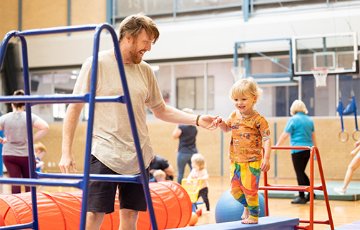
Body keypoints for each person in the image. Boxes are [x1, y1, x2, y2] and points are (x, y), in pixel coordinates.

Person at [58, 14, 218, 230]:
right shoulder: (96, 64)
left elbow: (161, 110)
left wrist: (197, 119)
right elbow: (74, 108)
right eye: (146, 42)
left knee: (131, 214)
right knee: (94, 215)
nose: (149, 48)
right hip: (104, 152)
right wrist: (66, 152)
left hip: (138, 156)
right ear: (129, 37)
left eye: (151, 43)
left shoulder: (145, 70)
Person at [216, 77, 271, 224]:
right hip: (235, 160)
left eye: (243, 99)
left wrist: (266, 159)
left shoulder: (259, 120)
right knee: (235, 190)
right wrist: (221, 123)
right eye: (236, 99)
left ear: (254, 98)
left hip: (252, 161)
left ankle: (254, 216)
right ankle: (246, 206)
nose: (239, 103)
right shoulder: (233, 115)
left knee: (250, 189)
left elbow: (266, 139)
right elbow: (227, 128)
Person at [0, 89, 49, 194]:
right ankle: (29, 207)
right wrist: (31, 139)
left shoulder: (5, 118)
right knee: (28, 183)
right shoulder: (30, 116)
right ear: (25, 103)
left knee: (15, 183)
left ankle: (16, 209)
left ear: (12, 103)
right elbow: (45, 127)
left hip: (9, 154)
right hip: (26, 154)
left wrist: (1, 140)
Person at [274, 99, 316, 204]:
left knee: (299, 173)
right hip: (308, 150)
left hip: (297, 150)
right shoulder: (309, 120)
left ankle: (304, 195)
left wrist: (277, 146)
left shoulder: (293, 119)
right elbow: (313, 136)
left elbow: (285, 135)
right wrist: (315, 150)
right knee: (301, 172)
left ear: (293, 109)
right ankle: (310, 193)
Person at [172, 108, 198, 184]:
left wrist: (178, 124)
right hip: (193, 152)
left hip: (183, 153)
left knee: (180, 173)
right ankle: (193, 187)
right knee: (193, 172)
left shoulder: (181, 127)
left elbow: (174, 136)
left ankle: (179, 189)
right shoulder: (194, 128)